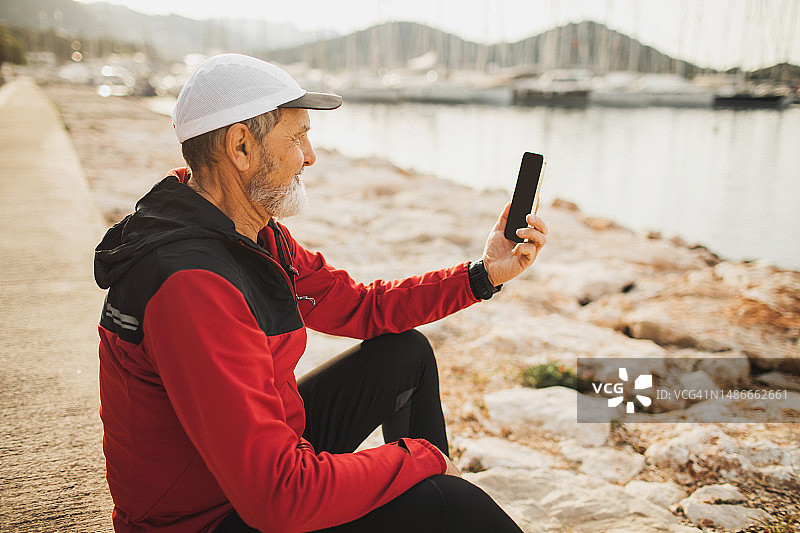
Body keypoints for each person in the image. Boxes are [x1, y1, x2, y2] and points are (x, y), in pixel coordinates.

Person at [94, 53, 548, 533]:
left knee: (404, 355)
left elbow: (364, 305)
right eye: (296, 138)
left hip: (248, 469)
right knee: (450, 502)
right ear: (241, 147)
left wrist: (484, 274)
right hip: (207, 519)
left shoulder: (252, 234)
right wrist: (420, 461)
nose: (310, 155)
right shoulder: (191, 283)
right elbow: (278, 498)